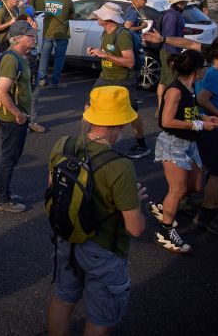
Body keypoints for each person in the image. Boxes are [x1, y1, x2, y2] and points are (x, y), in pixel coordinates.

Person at [47, 86, 147, 336]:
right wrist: (135, 201)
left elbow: (53, 189)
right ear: (119, 124)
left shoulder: (64, 144)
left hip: (66, 237)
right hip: (104, 248)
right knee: (100, 315)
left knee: (63, 297)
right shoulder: (121, 166)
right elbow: (135, 228)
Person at [148, 50, 218, 253]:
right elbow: (166, 121)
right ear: (197, 70)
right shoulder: (175, 90)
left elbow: (190, 112)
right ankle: (165, 232)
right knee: (178, 190)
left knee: (195, 186)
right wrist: (199, 125)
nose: (206, 70)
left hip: (190, 143)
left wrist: (207, 119)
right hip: (174, 144)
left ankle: (164, 206)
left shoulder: (191, 88)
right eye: (204, 67)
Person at [86, 3, 149, 159]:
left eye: (100, 15)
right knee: (89, 105)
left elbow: (130, 62)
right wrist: (97, 52)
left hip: (123, 80)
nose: (97, 16)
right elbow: (108, 52)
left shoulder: (122, 35)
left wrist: (105, 55)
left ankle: (142, 145)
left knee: (132, 113)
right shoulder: (106, 32)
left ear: (108, 18)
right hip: (105, 77)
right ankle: (88, 142)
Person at [0, 21, 36, 213]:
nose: (34, 38)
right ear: (18, 39)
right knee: (10, 157)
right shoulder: (11, 60)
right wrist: (18, 114)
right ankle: (2, 199)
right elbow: (2, 92)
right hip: (12, 118)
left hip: (16, 116)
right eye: (30, 35)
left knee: (9, 156)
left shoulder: (19, 56)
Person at [195, 36, 218, 235]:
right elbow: (203, 99)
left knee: (212, 169)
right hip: (216, 129)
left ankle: (212, 204)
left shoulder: (216, 71)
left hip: (214, 128)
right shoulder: (217, 74)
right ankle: (206, 214)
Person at [157, 0, 194, 111]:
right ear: (181, 2)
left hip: (167, 51)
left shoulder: (173, 13)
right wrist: (173, 57)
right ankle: (167, 109)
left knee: (163, 80)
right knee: (171, 82)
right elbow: (169, 37)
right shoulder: (172, 15)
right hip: (170, 52)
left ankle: (161, 108)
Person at [38, 0, 75, 89]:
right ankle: (54, 82)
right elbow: (72, 16)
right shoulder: (68, 1)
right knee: (59, 59)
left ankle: (41, 80)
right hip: (61, 34)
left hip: (48, 33)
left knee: (44, 57)